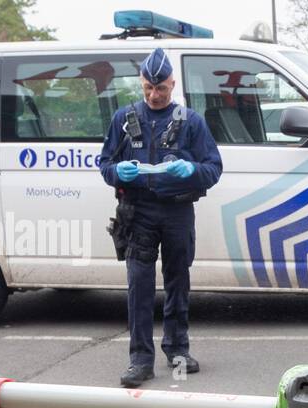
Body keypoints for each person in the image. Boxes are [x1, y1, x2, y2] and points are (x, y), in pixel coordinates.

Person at [99, 47, 223, 389]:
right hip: (137, 213)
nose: (154, 95)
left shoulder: (191, 122)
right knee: (138, 286)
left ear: (172, 83)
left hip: (177, 212)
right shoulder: (124, 119)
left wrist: (193, 170)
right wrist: (116, 173)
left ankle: (178, 350)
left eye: (161, 89)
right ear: (141, 84)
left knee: (177, 282)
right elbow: (104, 164)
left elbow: (214, 169)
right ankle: (140, 359)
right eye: (148, 89)